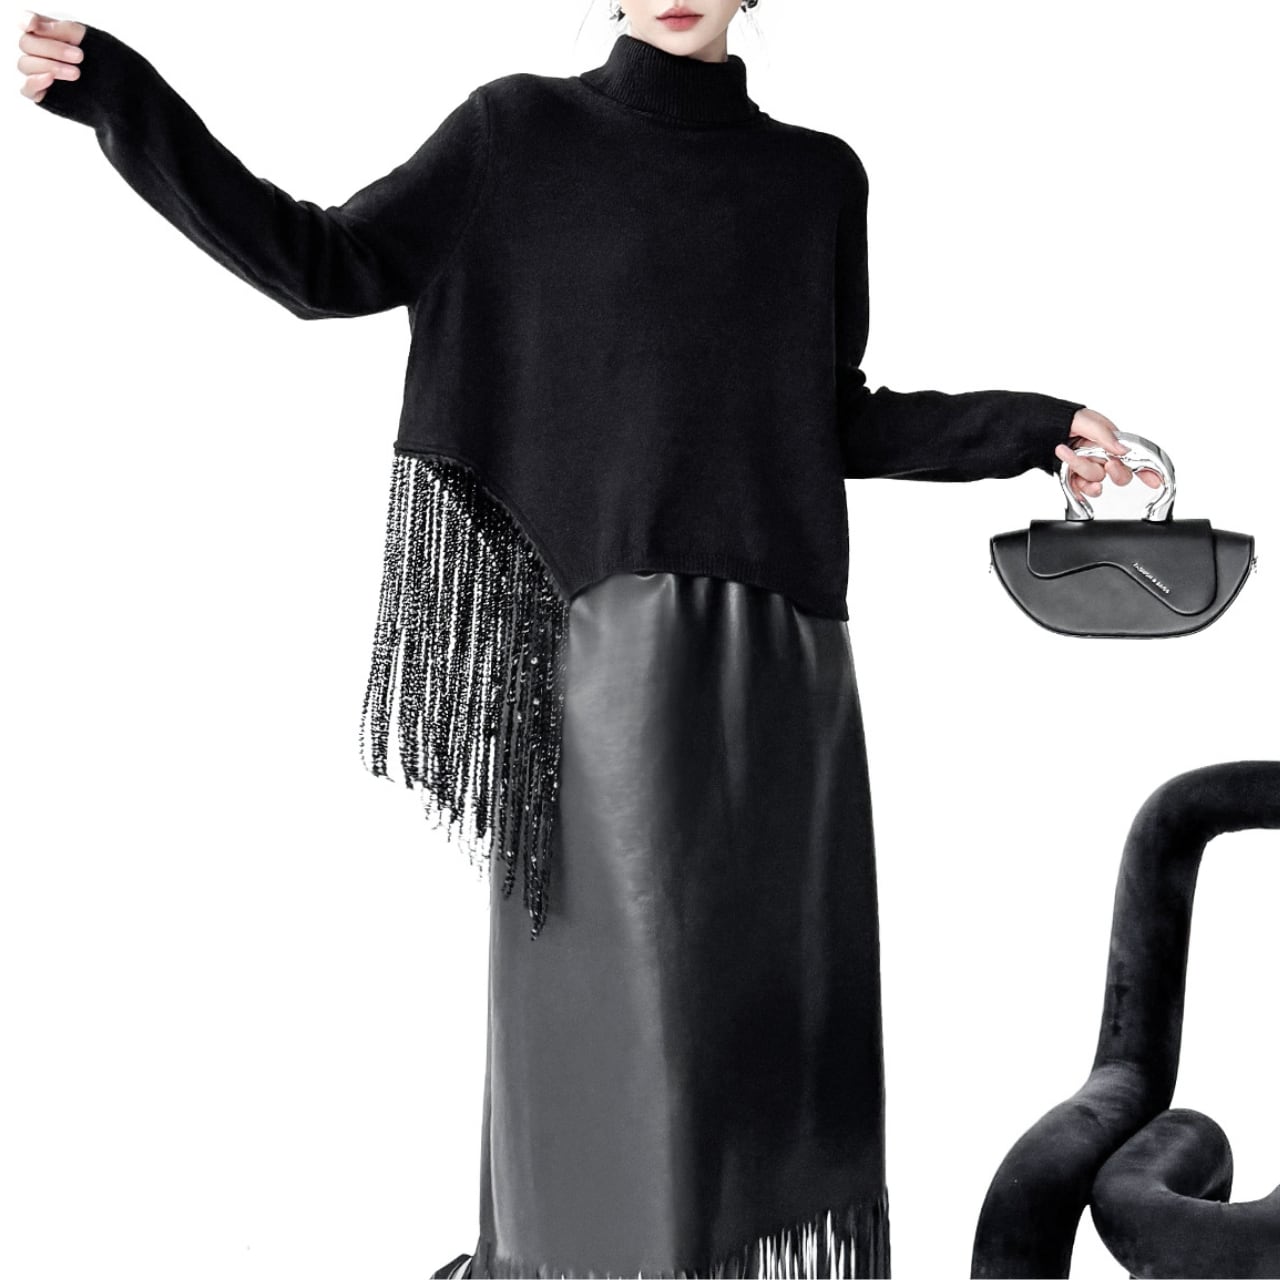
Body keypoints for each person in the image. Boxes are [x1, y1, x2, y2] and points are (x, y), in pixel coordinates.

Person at [19, 4, 1162, 1277]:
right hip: (599, 654)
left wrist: (1035, 427)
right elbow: (324, 263)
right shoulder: (516, 132)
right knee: (616, 1039)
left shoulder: (815, 178)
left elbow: (826, 415)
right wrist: (127, 104)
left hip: (784, 662)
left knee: (771, 1025)